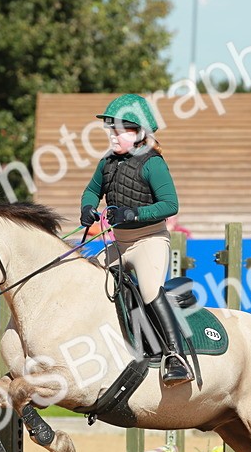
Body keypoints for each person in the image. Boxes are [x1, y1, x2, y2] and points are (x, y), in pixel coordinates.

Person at [79, 93, 192, 386]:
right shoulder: (107, 163)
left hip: (148, 242)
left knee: (151, 290)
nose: (113, 135)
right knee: (84, 276)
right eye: (111, 129)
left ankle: (175, 357)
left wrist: (134, 212)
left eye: (120, 129)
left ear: (139, 133)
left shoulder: (153, 163)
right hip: (118, 243)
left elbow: (170, 205)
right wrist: (87, 208)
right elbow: (91, 191)